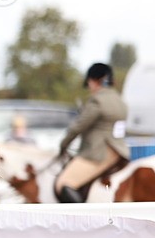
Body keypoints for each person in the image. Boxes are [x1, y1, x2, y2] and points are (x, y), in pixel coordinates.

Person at [54, 63, 130, 203]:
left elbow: (78, 127)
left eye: (89, 83)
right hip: (119, 151)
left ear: (94, 80)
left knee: (63, 183)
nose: (89, 87)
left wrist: (63, 145)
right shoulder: (121, 101)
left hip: (99, 153)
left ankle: (80, 219)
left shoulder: (97, 101)